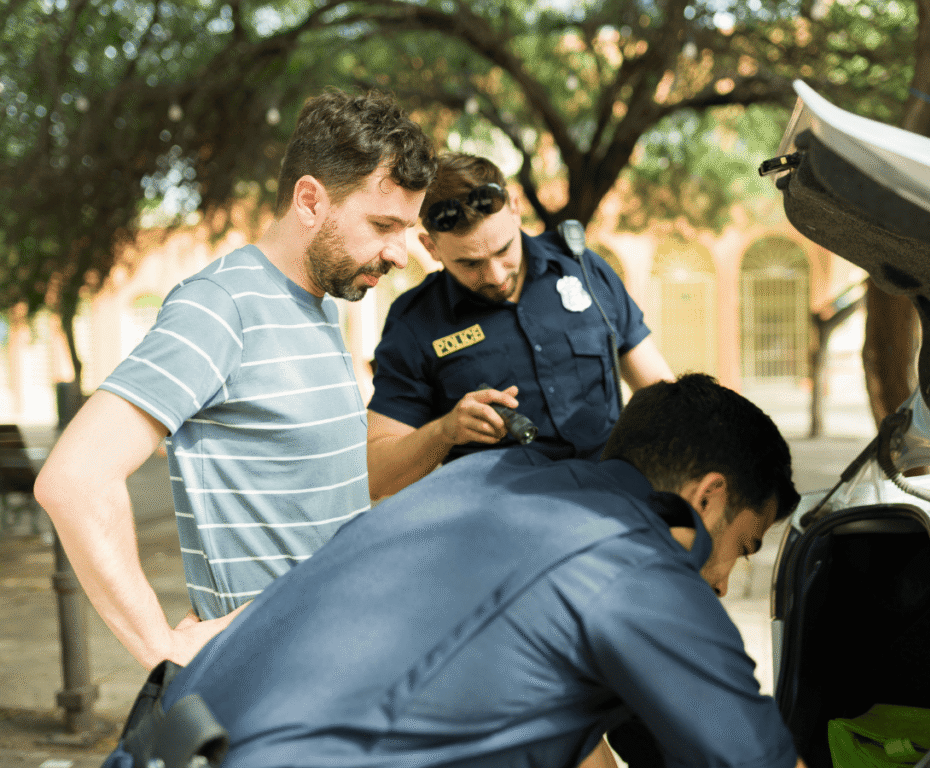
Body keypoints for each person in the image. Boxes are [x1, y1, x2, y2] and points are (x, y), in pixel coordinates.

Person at [102, 374, 807, 768]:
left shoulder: (488, 479)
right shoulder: (634, 561)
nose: (720, 584)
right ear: (708, 496)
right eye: (741, 548)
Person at [34, 88, 437, 670]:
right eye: (382, 225)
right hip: (268, 686)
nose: (401, 253)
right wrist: (164, 649)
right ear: (309, 201)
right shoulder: (219, 307)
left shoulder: (320, 302)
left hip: (347, 662)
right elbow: (73, 479)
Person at [365, 153, 674, 500]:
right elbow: (376, 476)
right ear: (430, 247)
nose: (496, 276)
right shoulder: (414, 323)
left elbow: (664, 397)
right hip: (506, 534)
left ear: (515, 208)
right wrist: (444, 431)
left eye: (504, 250)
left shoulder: (584, 269)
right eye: (470, 264)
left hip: (616, 507)